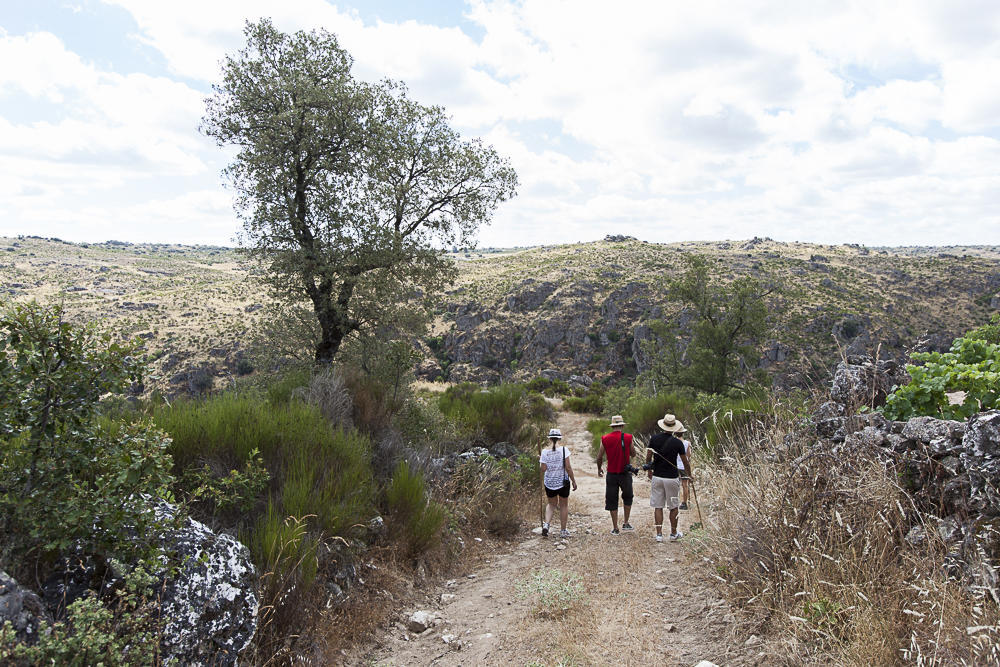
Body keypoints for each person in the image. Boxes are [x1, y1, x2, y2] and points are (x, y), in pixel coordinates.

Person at [645, 413, 692, 542]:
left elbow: (648, 456)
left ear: (663, 425)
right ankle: (673, 533)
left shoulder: (654, 439)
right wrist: (689, 474)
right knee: (673, 506)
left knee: (658, 506)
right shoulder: (678, 443)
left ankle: (659, 534)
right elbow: (685, 461)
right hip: (672, 478)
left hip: (657, 477)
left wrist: (649, 469)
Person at [596, 415, 636, 535]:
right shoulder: (628, 437)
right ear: (622, 426)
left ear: (612, 426)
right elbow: (633, 453)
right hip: (625, 473)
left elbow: (599, 457)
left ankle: (615, 527)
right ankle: (626, 522)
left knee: (612, 499)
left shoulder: (605, 439)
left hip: (612, 474)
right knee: (628, 497)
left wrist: (599, 469)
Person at [539, 427, 577, 538]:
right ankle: (563, 530)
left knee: (551, 504)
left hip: (549, 482)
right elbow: (568, 468)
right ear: (559, 438)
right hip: (563, 482)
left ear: (550, 439)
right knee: (563, 505)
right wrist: (573, 481)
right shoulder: (564, 450)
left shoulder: (545, 452)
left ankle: (546, 525)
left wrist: (540, 460)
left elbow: (543, 469)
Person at [677, 435, 692, 510]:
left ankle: (674, 501)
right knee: (685, 485)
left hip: (675, 465)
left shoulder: (674, 442)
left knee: (675, 484)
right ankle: (684, 502)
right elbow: (688, 455)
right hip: (684, 466)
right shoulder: (687, 443)